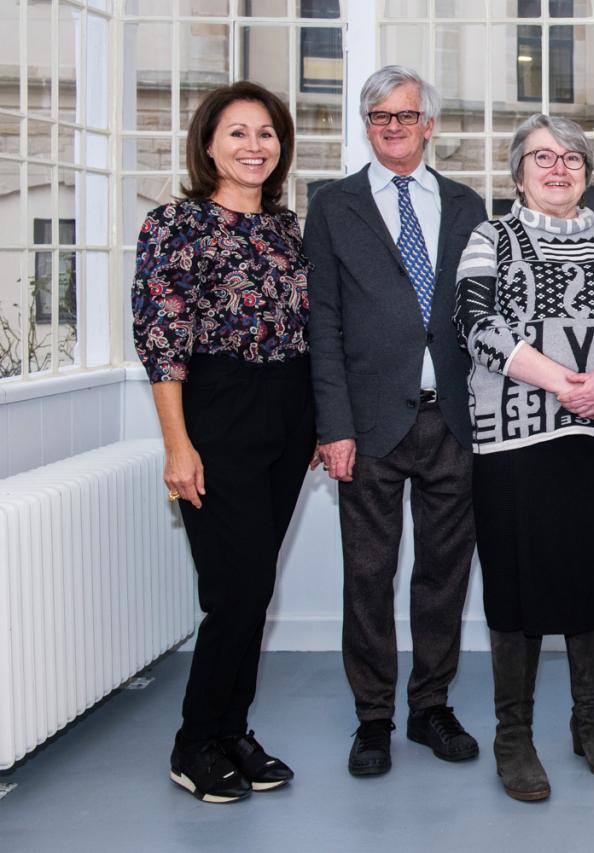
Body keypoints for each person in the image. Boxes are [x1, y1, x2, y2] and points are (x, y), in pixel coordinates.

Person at [455, 113, 594, 802]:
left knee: (591, 575)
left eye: (572, 156)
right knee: (514, 584)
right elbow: (477, 325)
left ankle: (590, 723)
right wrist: (560, 381)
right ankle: (514, 736)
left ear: (588, 171)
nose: (558, 166)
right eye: (541, 156)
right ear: (518, 172)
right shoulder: (492, 236)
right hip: (515, 437)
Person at [133, 81, 311, 803]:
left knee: (256, 585)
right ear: (208, 144)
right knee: (233, 590)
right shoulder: (173, 224)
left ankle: (233, 728)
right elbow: (162, 342)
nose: (253, 146)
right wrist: (179, 445)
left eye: (265, 133)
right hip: (216, 409)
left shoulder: (288, 229)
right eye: (237, 132)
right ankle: (193, 741)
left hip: (288, 410)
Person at [305, 65, 487, 777]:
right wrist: (332, 424)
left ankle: (430, 705)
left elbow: (485, 314)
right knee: (370, 574)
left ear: (428, 124)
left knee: (444, 572)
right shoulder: (333, 206)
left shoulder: (467, 204)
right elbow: (323, 323)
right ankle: (373, 717)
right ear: (366, 123)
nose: (393, 126)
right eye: (379, 115)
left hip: (455, 421)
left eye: (405, 115)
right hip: (369, 423)